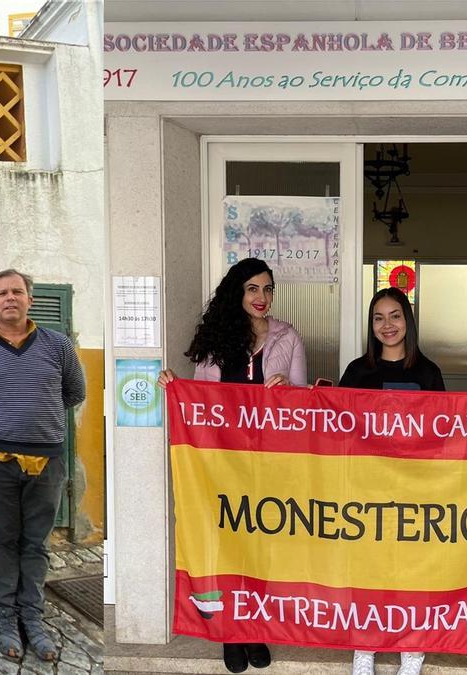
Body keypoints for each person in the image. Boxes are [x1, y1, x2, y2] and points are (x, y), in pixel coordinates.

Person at [158, 257, 307, 673]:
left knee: (261, 546)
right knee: (226, 546)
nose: (262, 298)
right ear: (237, 293)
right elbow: (200, 406)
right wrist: (174, 387)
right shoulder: (213, 339)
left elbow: (305, 406)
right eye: (253, 289)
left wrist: (290, 391)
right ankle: (230, 631)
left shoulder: (288, 336)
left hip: (270, 463)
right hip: (221, 464)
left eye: (268, 289)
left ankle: (255, 627)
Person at [0, 269, 85, 662]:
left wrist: (34, 422)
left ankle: (33, 619)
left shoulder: (58, 346)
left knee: (36, 542)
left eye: (17, 291)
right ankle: (5, 619)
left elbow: (73, 392)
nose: (9, 298)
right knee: (4, 540)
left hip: (47, 461)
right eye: (0, 293)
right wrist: (4, 423)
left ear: (30, 298)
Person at [340, 288, 442, 675]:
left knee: (410, 571)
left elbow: (442, 432)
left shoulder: (428, 372)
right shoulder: (357, 371)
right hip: (366, 490)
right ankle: (364, 646)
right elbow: (335, 427)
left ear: (408, 321)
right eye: (378, 318)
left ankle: (411, 650)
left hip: (413, 490)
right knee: (366, 570)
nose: (387, 325)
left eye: (395, 316)